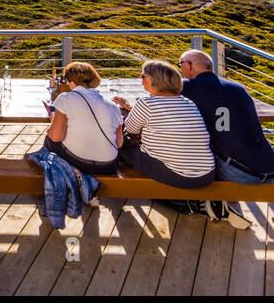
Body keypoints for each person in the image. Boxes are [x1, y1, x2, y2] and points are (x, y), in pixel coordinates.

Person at [179, 49, 272, 228]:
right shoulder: (238, 88)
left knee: (192, 156)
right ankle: (225, 203)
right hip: (267, 165)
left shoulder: (187, 88)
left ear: (189, 66)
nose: (180, 69)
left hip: (240, 172)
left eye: (181, 64)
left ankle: (211, 203)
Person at [112, 60, 214, 191]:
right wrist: (129, 107)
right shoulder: (188, 102)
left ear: (154, 80)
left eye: (143, 76)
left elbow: (130, 131)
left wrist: (117, 120)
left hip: (180, 176)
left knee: (123, 145)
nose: (140, 78)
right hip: (206, 174)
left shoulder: (146, 103)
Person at [44, 62, 123, 176]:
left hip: (82, 164)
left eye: (67, 80)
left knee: (49, 140)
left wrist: (53, 120)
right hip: (109, 166)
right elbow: (119, 143)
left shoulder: (65, 98)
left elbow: (55, 137)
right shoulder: (112, 106)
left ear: (72, 81)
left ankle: (51, 180)